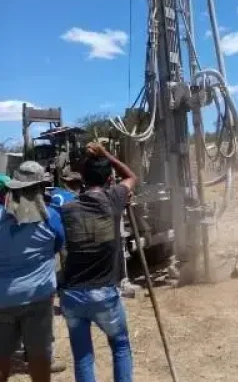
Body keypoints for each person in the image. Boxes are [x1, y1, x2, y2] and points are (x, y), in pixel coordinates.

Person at [58, 142, 136, 382]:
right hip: (102, 293)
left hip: (71, 295)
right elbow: (131, 176)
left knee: (83, 357)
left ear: (82, 178)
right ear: (109, 179)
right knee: (120, 346)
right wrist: (106, 155)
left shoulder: (68, 209)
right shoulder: (113, 199)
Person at [0, 161, 65, 382]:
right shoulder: (52, 218)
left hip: (3, 299)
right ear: (40, 188)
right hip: (39, 298)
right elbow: (57, 246)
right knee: (39, 358)